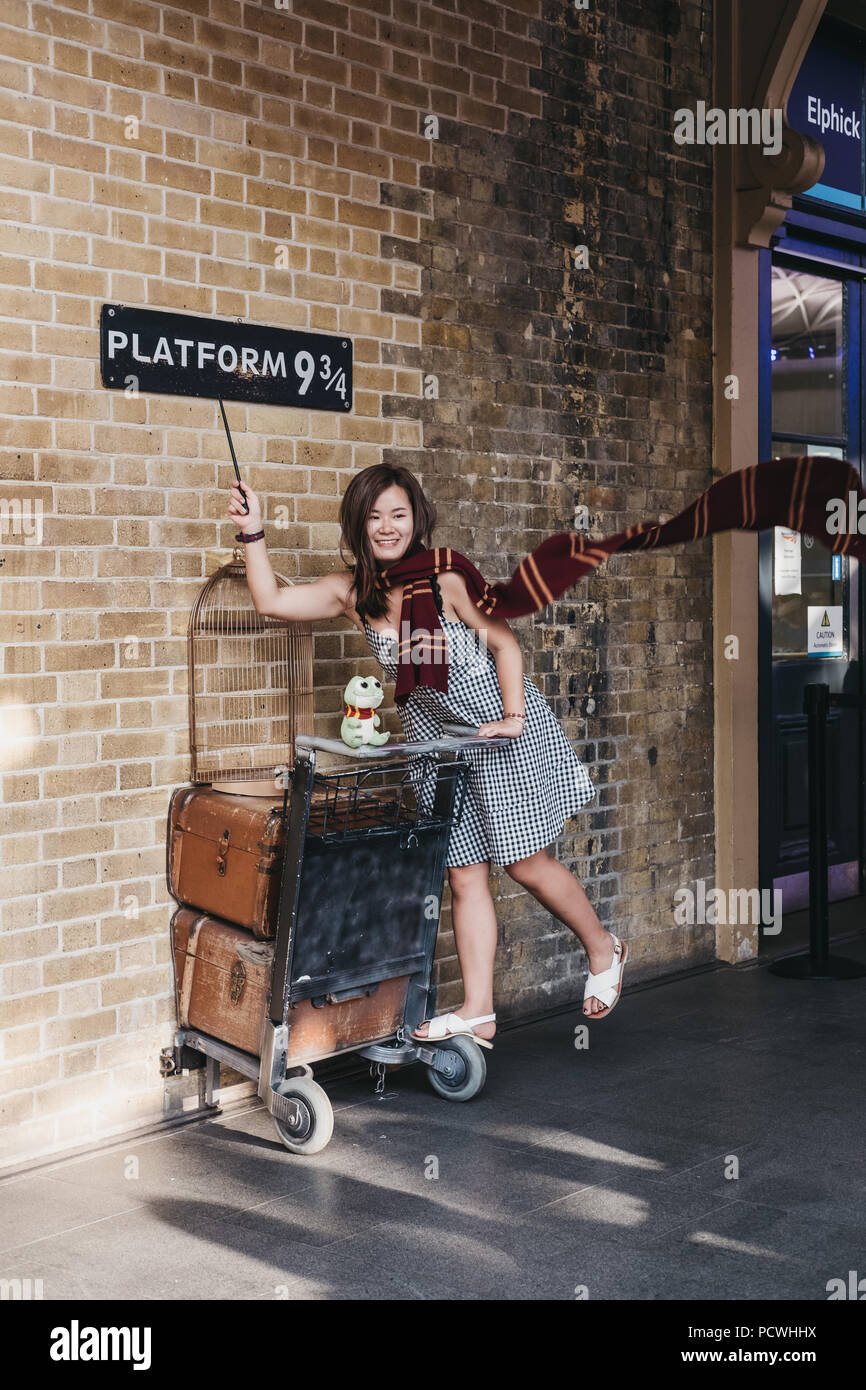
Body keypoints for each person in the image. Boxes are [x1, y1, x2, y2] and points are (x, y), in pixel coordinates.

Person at [227, 464, 628, 1046]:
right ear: (358, 525)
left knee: (524, 864)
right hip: (435, 747)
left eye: (398, 514)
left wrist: (512, 718)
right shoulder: (353, 591)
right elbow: (269, 601)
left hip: (498, 734)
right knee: (464, 876)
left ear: (415, 518)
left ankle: (603, 948)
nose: (387, 528)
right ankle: (479, 1010)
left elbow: (504, 642)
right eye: (374, 517)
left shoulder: (445, 579)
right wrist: (252, 531)